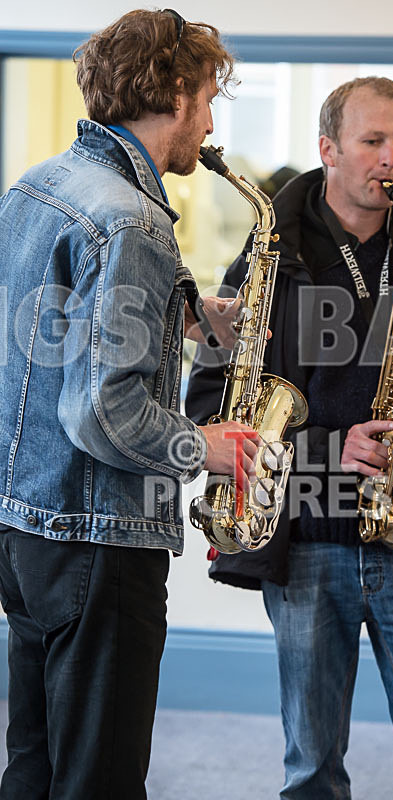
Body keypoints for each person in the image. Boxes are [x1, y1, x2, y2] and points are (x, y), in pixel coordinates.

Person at [186, 77, 393, 800]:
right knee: (311, 772)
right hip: (308, 541)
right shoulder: (265, 262)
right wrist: (327, 450)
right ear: (328, 149)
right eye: (372, 141)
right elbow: (210, 407)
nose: (390, 160)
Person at [0, 9, 261, 800]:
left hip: (24, 529)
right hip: (98, 544)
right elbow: (101, 411)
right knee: (100, 780)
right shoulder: (132, 219)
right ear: (176, 92)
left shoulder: (40, 184)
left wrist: (186, 317)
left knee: (35, 768)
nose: (211, 124)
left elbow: (47, 340)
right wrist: (203, 445)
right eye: (211, 99)